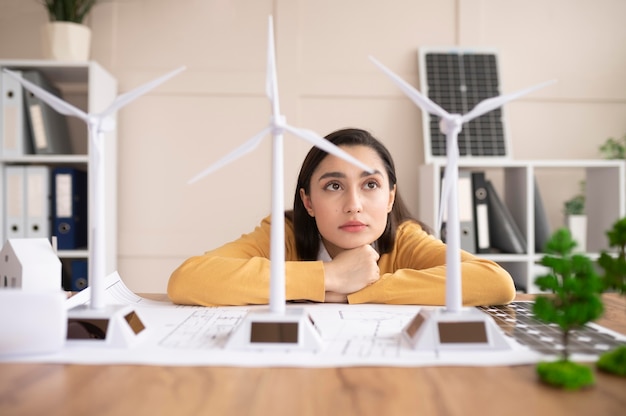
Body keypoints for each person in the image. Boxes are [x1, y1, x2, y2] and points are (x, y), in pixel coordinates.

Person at [167, 128, 516, 306]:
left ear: (390, 196)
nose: (354, 204)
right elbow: (189, 280)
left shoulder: (405, 238)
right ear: (308, 201)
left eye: (370, 185)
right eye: (334, 186)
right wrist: (328, 276)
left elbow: (495, 282)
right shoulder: (282, 233)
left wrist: (352, 293)